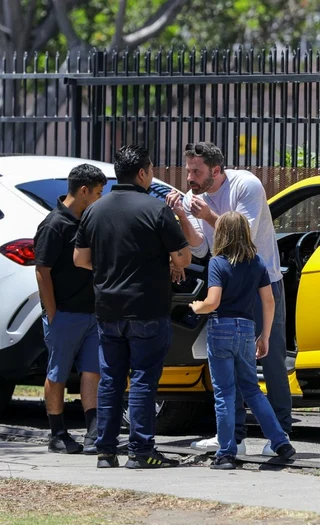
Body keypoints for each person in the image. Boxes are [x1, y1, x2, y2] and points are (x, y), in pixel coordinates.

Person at [165, 141, 292, 457]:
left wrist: (208, 214)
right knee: (227, 364)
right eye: (188, 170)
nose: (190, 178)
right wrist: (182, 213)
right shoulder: (193, 197)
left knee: (271, 359)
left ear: (216, 170)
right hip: (227, 287)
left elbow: (241, 236)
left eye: (197, 171)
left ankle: (281, 433)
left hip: (261, 282)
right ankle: (233, 437)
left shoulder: (246, 184)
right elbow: (198, 248)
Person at [74, 145, 191, 469]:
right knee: (142, 380)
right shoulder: (155, 210)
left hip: (108, 308)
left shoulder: (95, 211)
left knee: (110, 380)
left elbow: (80, 259)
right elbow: (184, 257)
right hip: (147, 308)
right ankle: (141, 451)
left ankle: (105, 451)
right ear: (142, 172)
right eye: (151, 169)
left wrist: (111, 265)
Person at [189, 211, 296, 469]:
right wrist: (266, 335)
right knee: (252, 390)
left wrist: (197, 306)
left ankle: (226, 452)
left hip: (221, 329)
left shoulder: (218, 263)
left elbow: (213, 301)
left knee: (225, 392)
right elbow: (269, 301)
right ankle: (280, 441)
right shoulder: (257, 262)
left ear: (222, 234)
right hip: (247, 330)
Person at [34, 164, 107, 454]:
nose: (102, 198)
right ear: (84, 191)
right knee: (58, 373)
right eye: (99, 192)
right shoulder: (54, 224)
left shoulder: (88, 221)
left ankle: (93, 431)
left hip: (92, 313)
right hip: (64, 313)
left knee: (92, 371)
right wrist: (52, 314)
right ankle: (57, 433)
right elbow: (42, 271)